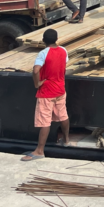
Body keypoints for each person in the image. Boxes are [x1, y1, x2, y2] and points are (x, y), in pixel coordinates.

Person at [21, 28, 69, 161]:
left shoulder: (43, 53)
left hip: (47, 92)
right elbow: (63, 64)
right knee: (63, 115)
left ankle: (39, 151)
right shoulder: (64, 51)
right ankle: (66, 140)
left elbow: (36, 70)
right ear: (56, 39)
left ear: (43, 40)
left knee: (45, 121)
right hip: (60, 89)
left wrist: (37, 84)